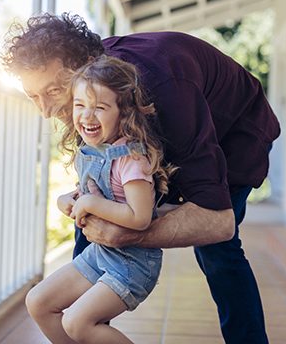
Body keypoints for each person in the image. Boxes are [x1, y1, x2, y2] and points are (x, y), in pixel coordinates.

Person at [2, 13, 281, 343]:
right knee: (95, 221)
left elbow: (218, 222)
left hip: (234, 130)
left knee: (218, 252)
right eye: (34, 95)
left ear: (90, 66)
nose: (46, 111)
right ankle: (84, 330)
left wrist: (129, 234)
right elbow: (99, 191)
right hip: (167, 120)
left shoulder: (165, 87)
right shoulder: (91, 97)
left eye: (54, 90)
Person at [25, 56, 174, 343]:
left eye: (100, 107)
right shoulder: (93, 150)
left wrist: (91, 205)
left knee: (77, 322)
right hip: (102, 254)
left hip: (133, 264)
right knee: (38, 302)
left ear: (124, 112)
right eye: (80, 105)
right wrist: (67, 199)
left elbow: (140, 218)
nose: (87, 116)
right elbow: (89, 191)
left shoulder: (131, 159)